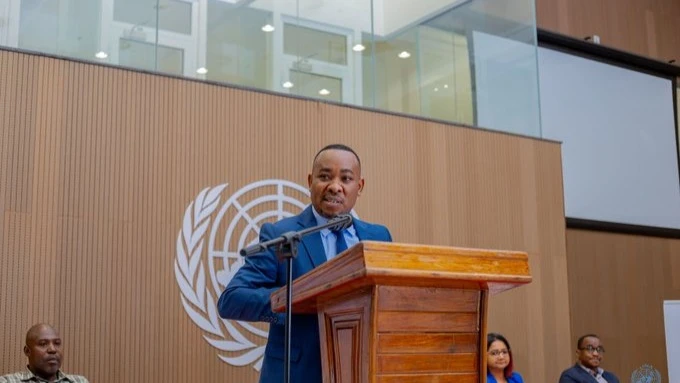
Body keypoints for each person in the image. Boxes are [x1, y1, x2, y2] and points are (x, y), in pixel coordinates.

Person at [217, 144, 392, 383]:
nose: (335, 186)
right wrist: (296, 300)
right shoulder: (282, 234)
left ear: (359, 187)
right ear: (310, 181)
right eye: (325, 176)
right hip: (297, 375)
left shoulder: (378, 237)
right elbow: (232, 300)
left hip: (362, 372)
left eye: (346, 178)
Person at [0, 323, 89, 383]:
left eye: (57, 343)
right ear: (27, 351)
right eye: (43, 344)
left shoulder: (79, 381)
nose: (53, 349)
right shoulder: (7, 381)